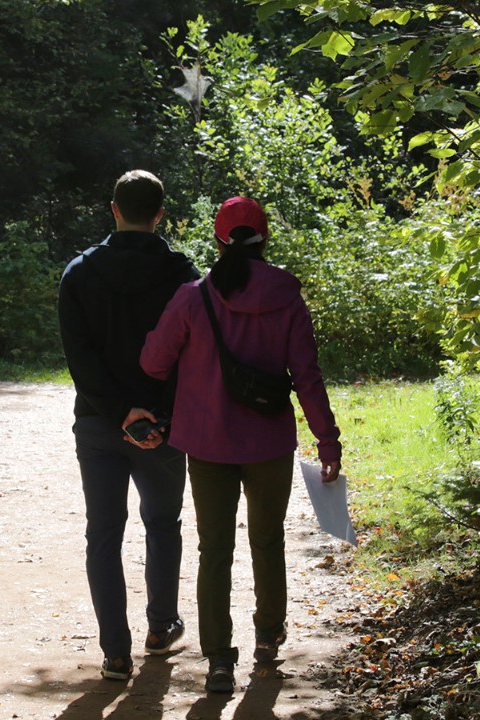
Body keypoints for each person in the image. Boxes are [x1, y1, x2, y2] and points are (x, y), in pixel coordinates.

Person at [140, 196, 343, 694]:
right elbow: (308, 376)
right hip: (269, 443)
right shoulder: (288, 299)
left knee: (215, 550)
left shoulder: (193, 297)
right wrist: (327, 441)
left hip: (207, 445)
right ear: (265, 237)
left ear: (217, 239)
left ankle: (218, 662)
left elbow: (152, 363)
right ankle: (269, 638)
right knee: (267, 541)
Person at [57, 170, 200, 681]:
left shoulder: (79, 273)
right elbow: (189, 354)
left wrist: (120, 412)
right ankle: (160, 628)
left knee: (104, 534)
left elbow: (80, 359)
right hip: (161, 427)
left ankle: (115, 653)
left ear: (113, 208)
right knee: (163, 524)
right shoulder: (184, 274)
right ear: (160, 214)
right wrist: (154, 413)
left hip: (99, 424)